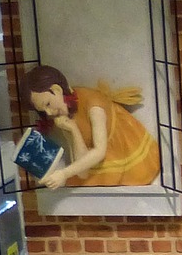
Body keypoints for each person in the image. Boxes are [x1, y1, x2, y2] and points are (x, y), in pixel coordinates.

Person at [22, 65, 162, 189]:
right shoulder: (63, 117)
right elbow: (82, 173)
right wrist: (73, 130)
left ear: (57, 90)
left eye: (48, 104)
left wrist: (64, 173)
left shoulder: (94, 105)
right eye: (43, 110)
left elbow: (100, 151)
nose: (49, 113)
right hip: (94, 162)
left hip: (124, 156)